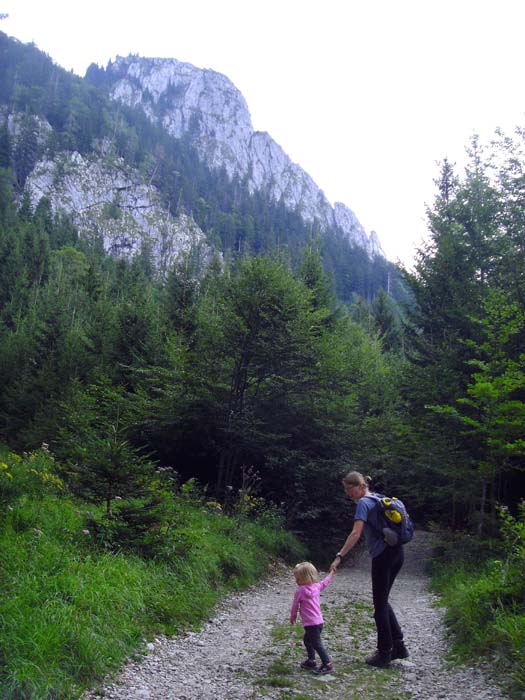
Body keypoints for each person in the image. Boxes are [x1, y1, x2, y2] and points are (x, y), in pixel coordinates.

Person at [329, 471, 409, 668]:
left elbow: (356, 533)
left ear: (360, 486)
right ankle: (398, 646)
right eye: (346, 489)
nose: (348, 493)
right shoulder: (379, 498)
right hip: (397, 553)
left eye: (349, 489)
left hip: (383, 556)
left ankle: (384, 653)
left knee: (379, 606)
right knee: (383, 601)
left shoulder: (364, 503)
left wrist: (340, 556)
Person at [290, 561, 334, 675]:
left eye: (298, 579)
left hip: (310, 624)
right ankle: (311, 660)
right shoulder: (316, 586)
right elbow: (325, 582)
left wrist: (293, 616)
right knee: (308, 641)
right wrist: (331, 574)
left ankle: (327, 663)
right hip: (319, 622)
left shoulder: (300, 591)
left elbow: (295, 605)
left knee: (316, 644)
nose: (296, 581)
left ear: (306, 578)